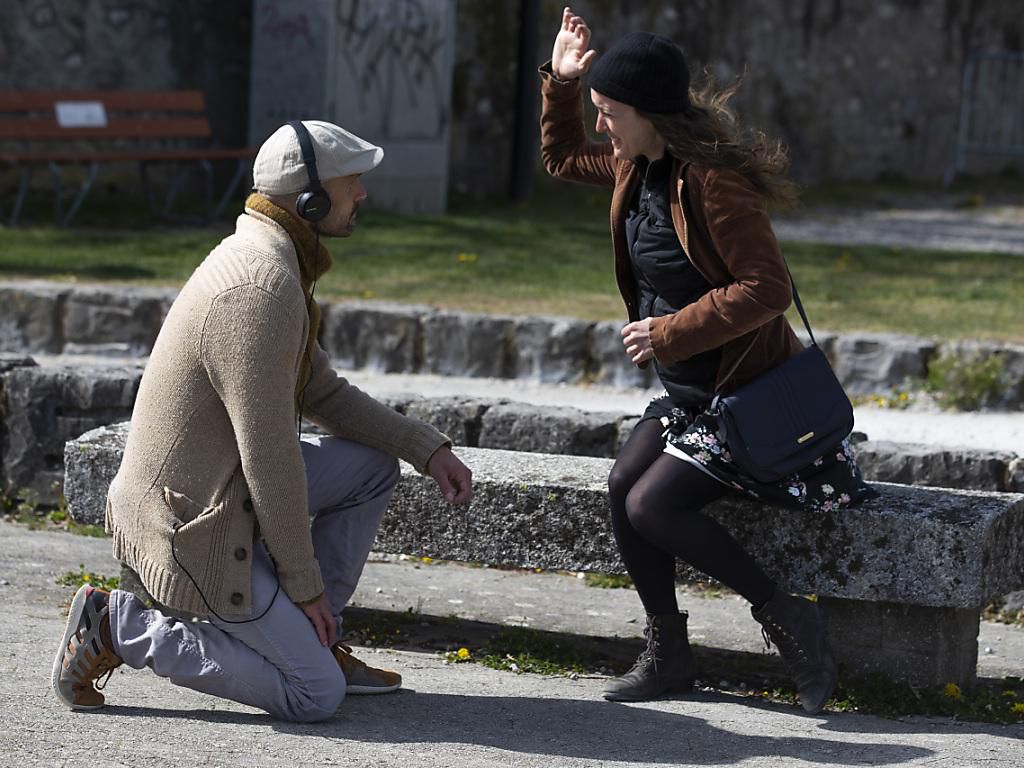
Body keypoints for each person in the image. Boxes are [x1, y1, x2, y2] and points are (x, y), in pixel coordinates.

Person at [51, 120, 473, 722]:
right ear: (311, 199)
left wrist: (425, 448)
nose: (363, 195)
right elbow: (269, 456)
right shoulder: (259, 288)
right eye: (352, 182)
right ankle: (120, 627)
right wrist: (305, 586)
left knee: (371, 467)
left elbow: (322, 391)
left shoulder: (274, 261)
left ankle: (317, 640)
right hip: (191, 525)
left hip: (220, 491)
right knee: (313, 696)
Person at [540, 7, 874, 713]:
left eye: (610, 112)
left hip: (745, 396)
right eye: (597, 110)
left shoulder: (713, 181)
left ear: (652, 113)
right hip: (691, 398)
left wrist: (668, 334)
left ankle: (791, 618)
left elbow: (768, 288)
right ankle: (670, 656)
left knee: (651, 502)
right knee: (621, 489)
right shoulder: (637, 164)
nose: (602, 125)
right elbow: (563, 158)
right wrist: (561, 83)